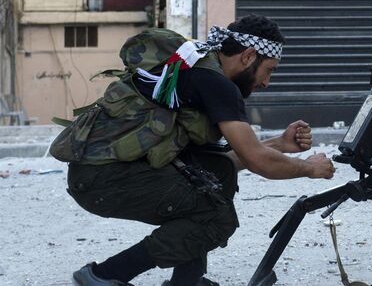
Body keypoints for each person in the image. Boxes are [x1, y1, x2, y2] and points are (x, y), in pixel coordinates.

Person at [51, 15, 336, 286]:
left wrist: (279, 144)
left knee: (214, 175)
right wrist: (310, 168)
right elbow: (258, 161)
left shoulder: (197, 64)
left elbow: (224, 159)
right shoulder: (215, 83)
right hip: (103, 181)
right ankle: (104, 275)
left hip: (99, 175)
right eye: (268, 71)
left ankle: (186, 281)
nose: (266, 82)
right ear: (249, 56)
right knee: (215, 217)